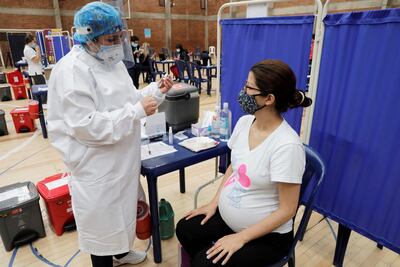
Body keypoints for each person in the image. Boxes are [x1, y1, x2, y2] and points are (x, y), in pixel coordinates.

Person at [46, 2, 173, 267]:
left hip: (121, 159)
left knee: (123, 214)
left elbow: (128, 101)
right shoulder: (72, 70)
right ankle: (106, 259)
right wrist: (136, 112)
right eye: (110, 38)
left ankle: (121, 252)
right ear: (88, 37)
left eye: (119, 37)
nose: (116, 43)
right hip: (96, 165)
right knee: (103, 227)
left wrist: (156, 91)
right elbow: (87, 126)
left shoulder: (110, 62)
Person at [176, 59, 312, 267]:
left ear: (268, 99)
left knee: (203, 263)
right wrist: (214, 203)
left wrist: (241, 237)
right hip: (230, 220)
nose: (243, 92)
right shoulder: (245, 122)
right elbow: (235, 167)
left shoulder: (287, 146)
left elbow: (287, 210)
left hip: (267, 236)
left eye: (248, 87)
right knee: (186, 229)